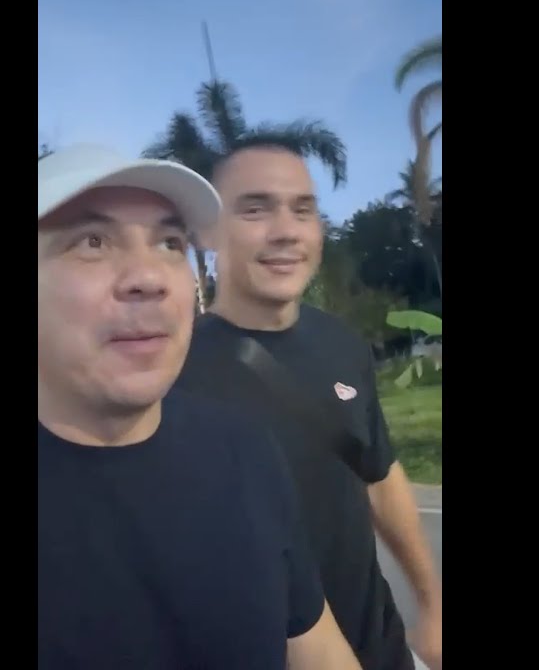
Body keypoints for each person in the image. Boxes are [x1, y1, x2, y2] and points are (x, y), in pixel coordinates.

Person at [37, 144, 362, 670]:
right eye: (92, 241)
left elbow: (317, 649)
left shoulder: (244, 450)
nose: (150, 277)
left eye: (170, 243)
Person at [175, 142, 443, 670]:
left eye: (303, 209)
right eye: (255, 208)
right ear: (207, 233)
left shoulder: (341, 342)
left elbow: (379, 477)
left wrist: (432, 604)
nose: (287, 231)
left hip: (381, 647)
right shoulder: (172, 374)